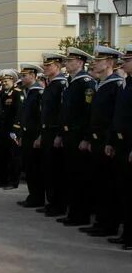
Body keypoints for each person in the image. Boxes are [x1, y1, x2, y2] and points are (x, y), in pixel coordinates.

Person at [79, 46, 125, 237]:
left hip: (107, 142)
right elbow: (94, 117)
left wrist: (110, 141)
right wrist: (90, 138)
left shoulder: (115, 85)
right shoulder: (100, 84)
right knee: (98, 183)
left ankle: (108, 224)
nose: (95, 63)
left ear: (110, 63)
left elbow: (114, 118)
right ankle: (100, 221)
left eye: (99, 60)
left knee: (109, 186)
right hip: (96, 141)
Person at [55, 47, 96, 227]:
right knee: (70, 175)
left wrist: (86, 137)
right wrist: (62, 134)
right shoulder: (72, 82)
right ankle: (74, 213)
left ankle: (81, 215)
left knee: (80, 177)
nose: (66, 64)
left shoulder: (85, 83)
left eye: (70, 61)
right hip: (70, 135)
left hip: (79, 137)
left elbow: (88, 113)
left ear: (80, 62)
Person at [37, 52, 68, 217]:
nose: (45, 68)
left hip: (55, 131)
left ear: (57, 66)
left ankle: (58, 204)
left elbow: (61, 112)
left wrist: (59, 134)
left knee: (56, 171)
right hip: (47, 131)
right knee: (48, 169)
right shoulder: (51, 84)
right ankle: (52, 202)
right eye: (45, 65)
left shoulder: (61, 84)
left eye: (48, 65)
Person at [107, 46, 132, 249]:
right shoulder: (127, 83)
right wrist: (112, 142)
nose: (123, 62)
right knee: (123, 190)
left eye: (128, 59)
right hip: (121, 143)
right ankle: (127, 235)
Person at [17, 64, 45, 208]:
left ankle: (37, 197)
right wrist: (21, 134)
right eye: (22, 75)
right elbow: (25, 117)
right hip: (27, 135)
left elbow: (41, 117)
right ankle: (32, 195)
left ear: (33, 76)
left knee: (35, 168)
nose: (22, 78)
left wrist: (40, 136)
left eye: (25, 75)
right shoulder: (28, 92)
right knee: (29, 167)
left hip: (34, 136)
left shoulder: (38, 92)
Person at [0, 69, 23, 189]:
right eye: (3, 81)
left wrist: (16, 129)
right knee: (2, 155)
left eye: (6, 80)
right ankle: (3, 179)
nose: (4, 83)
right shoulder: (1, 94)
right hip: (2, 130)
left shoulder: (17, 93)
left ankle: (13, 181)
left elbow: (19, 113)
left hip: (12, 130)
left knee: (13, 157)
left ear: (13, 81)